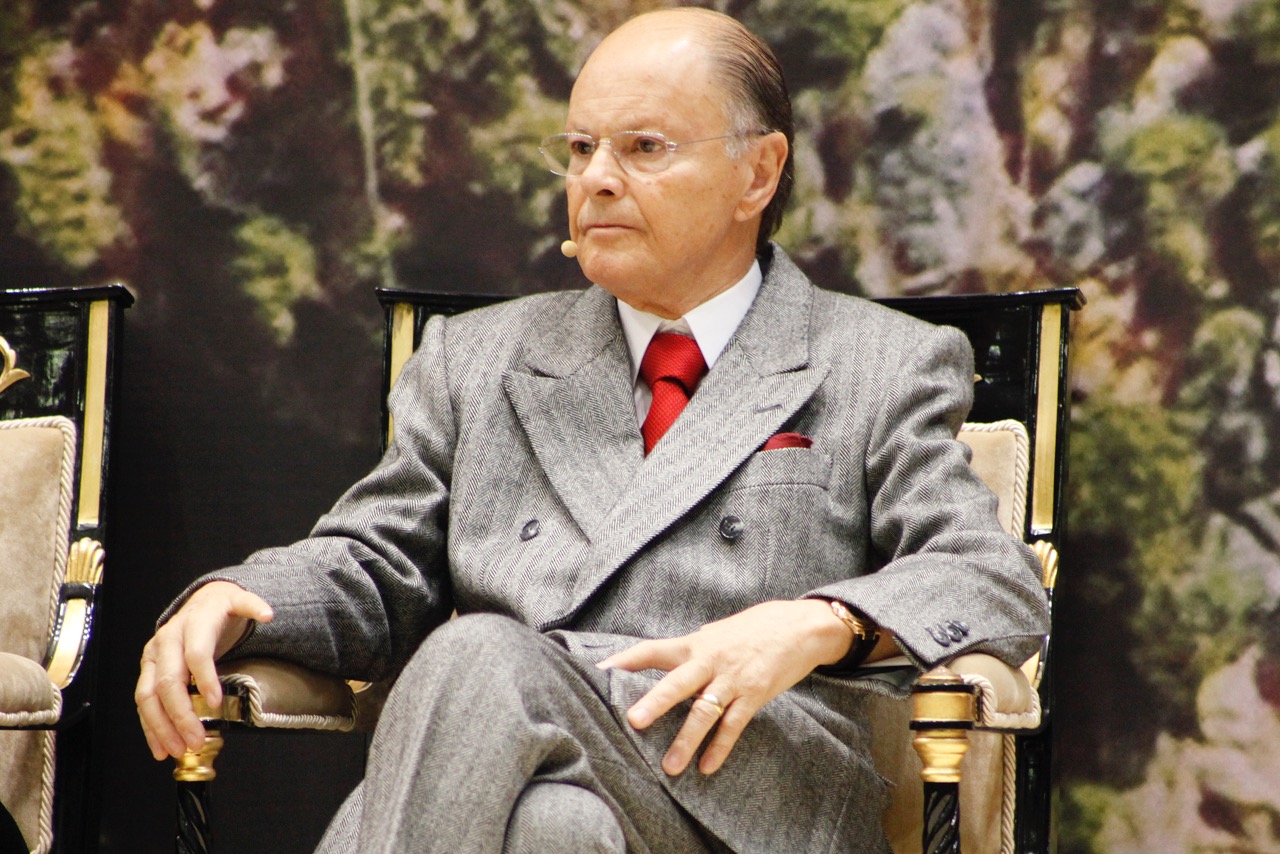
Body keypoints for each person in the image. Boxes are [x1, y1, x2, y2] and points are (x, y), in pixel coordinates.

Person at [136, 8, 1048, 852]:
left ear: (758, 173)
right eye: (580, 149)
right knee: (553, 827)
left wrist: (818, 622)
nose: (597, 179)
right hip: (506, 758)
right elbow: (377, 566)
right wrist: (238, 595)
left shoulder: (880, 361)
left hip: (747, 787)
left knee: (479, 655)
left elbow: (991, 579)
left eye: (645, 147)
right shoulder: (478, 358)